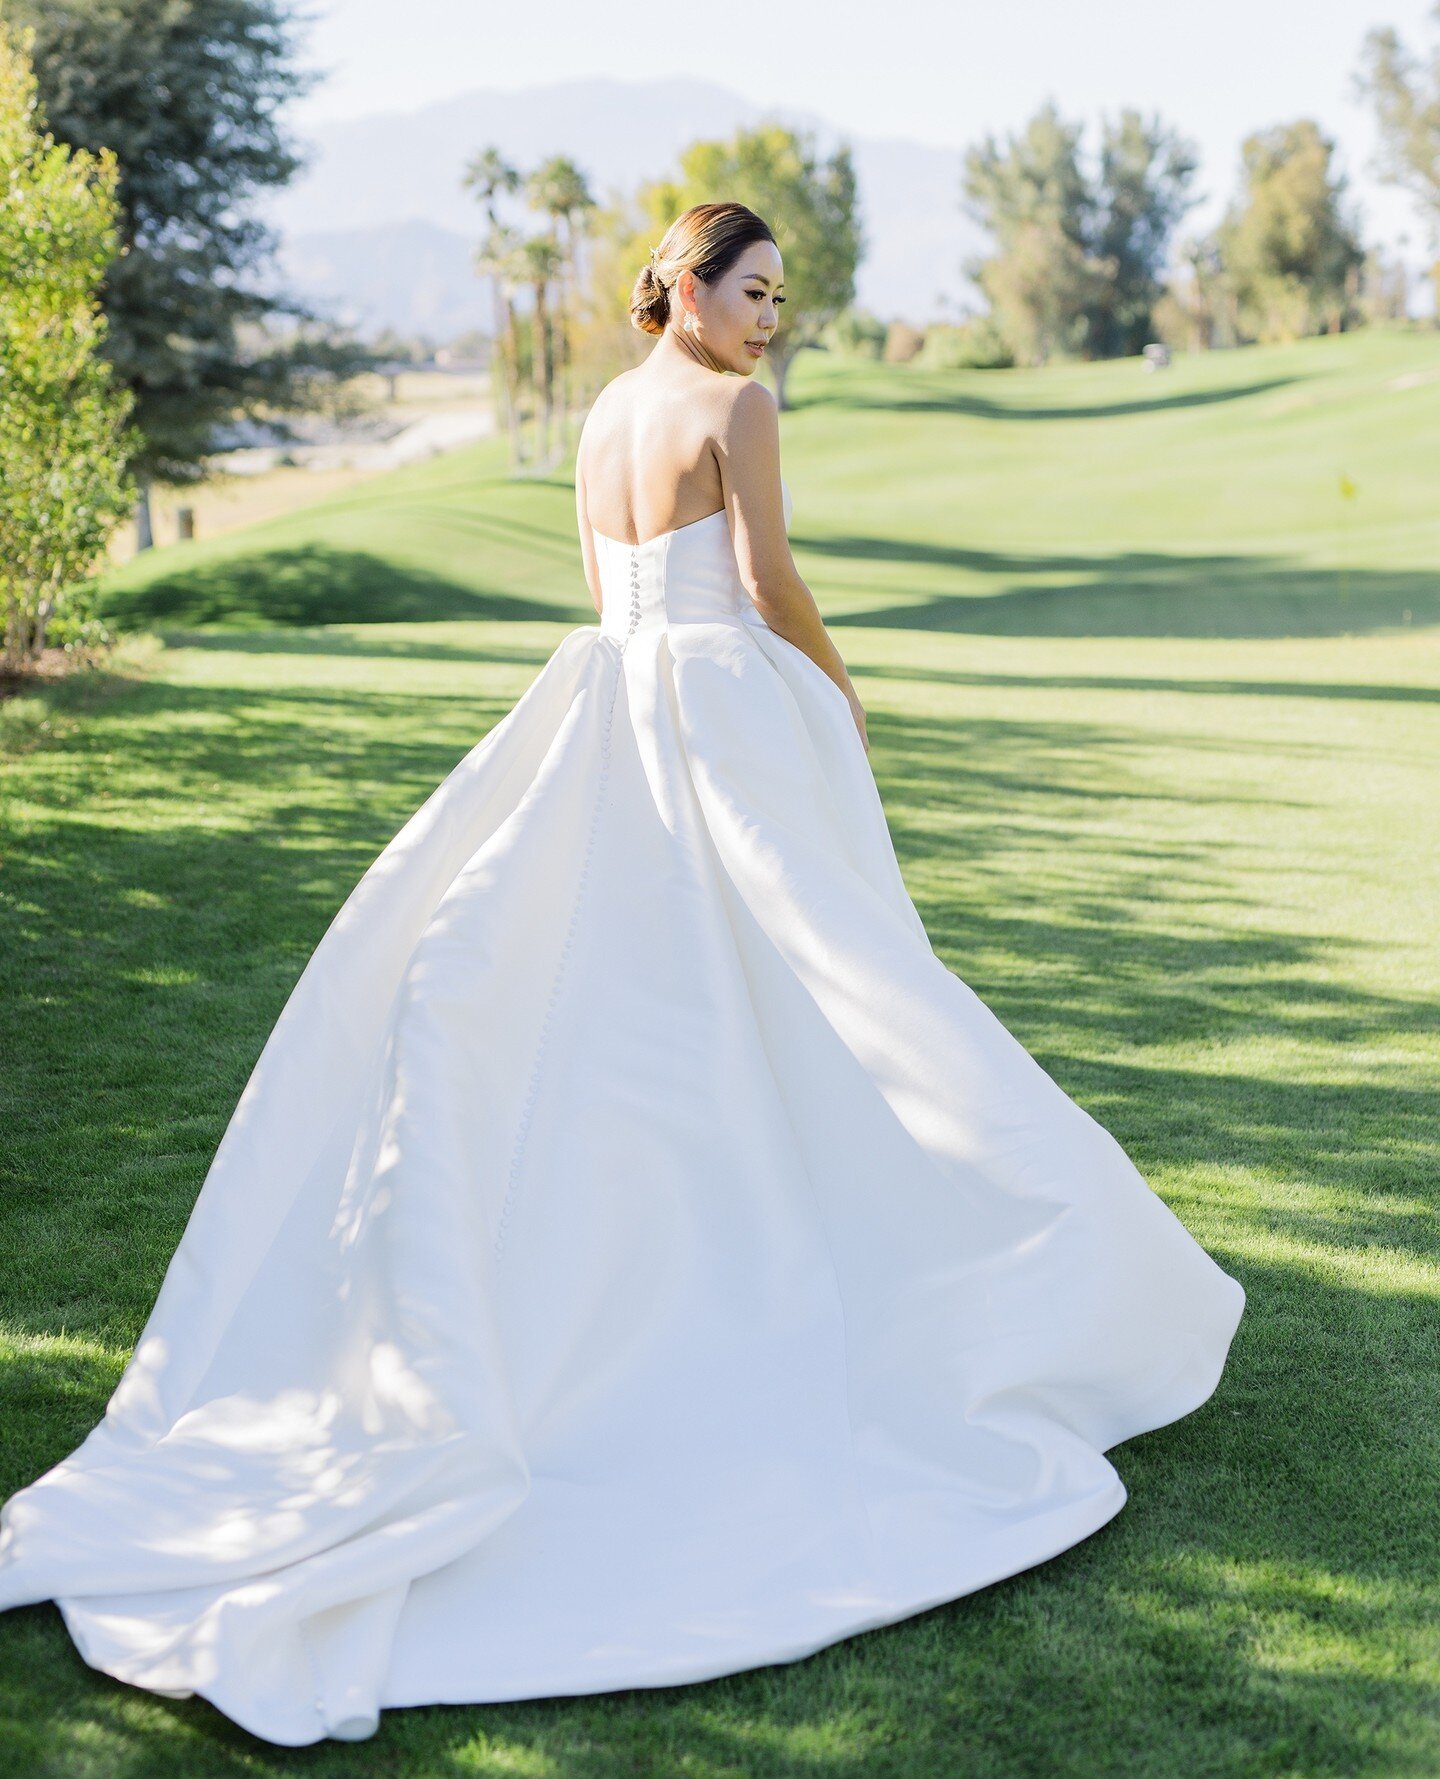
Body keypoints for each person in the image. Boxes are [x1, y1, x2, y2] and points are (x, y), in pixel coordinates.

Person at [0, 202, 1245, 1748]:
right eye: (754, 289)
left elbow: (609, 596)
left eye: (783, 297)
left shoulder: (602, 411)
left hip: (610, 697)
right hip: (721, 697)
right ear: (687, 290)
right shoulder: (736, 406)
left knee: (615, 975)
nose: (772, 316)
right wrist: (839, 696)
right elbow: (773, 582)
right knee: (842, 984)